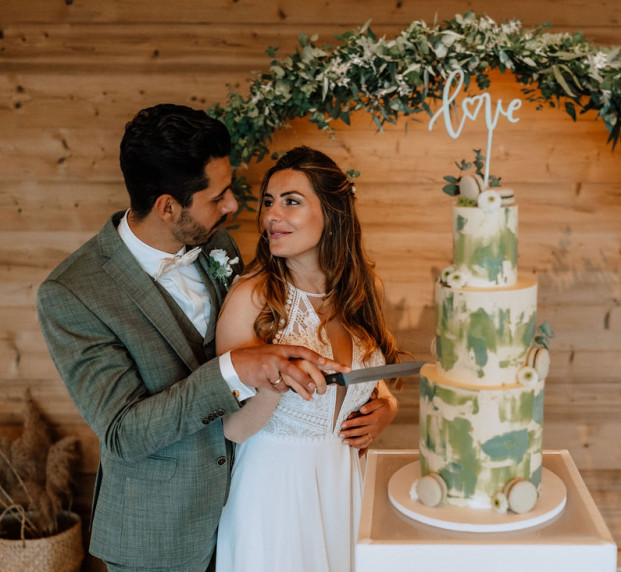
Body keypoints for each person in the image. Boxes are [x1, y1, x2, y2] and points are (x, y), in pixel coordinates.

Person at [36, 105, 396, 571]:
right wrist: (236, 370)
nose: (234, 208)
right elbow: (124, 433)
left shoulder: (216, 246)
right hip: (163, 530)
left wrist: (383, 403)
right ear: (168, 206)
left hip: (257, 499)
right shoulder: (73, 294)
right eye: (218, 197)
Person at [214, 146, 401, 571]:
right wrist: (276, 384)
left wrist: (387, 408)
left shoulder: (360, 289)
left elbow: (369, 378)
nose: (271, 216)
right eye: (268, 202)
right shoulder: (252, 299)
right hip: (275, 499)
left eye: (291, 202)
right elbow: (232, 428)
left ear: (332, 213)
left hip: (344, 487)